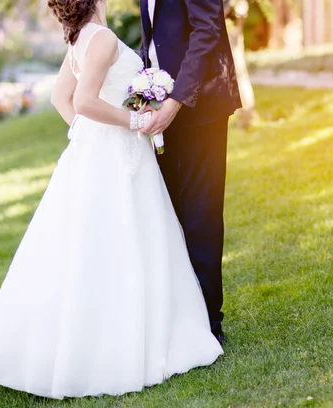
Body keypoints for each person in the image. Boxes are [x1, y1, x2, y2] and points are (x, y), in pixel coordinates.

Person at [0, 0, 223, 399]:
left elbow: (59, 100)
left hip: (101, 154)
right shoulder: (99, 38)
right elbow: (83, 102)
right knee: (132, 241)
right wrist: (131, 122)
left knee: (97, 248)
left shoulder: (79, 39)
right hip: (122, 152)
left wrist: (92, 137)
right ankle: (145, 336)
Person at [138, 0, 242, 344]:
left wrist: (176, 100)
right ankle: (181, 317)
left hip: (202, 106)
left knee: (201, 212)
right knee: (169, 211)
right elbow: (155, 36)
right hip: (162, 105)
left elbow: (206, 30)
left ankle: (210, 325)